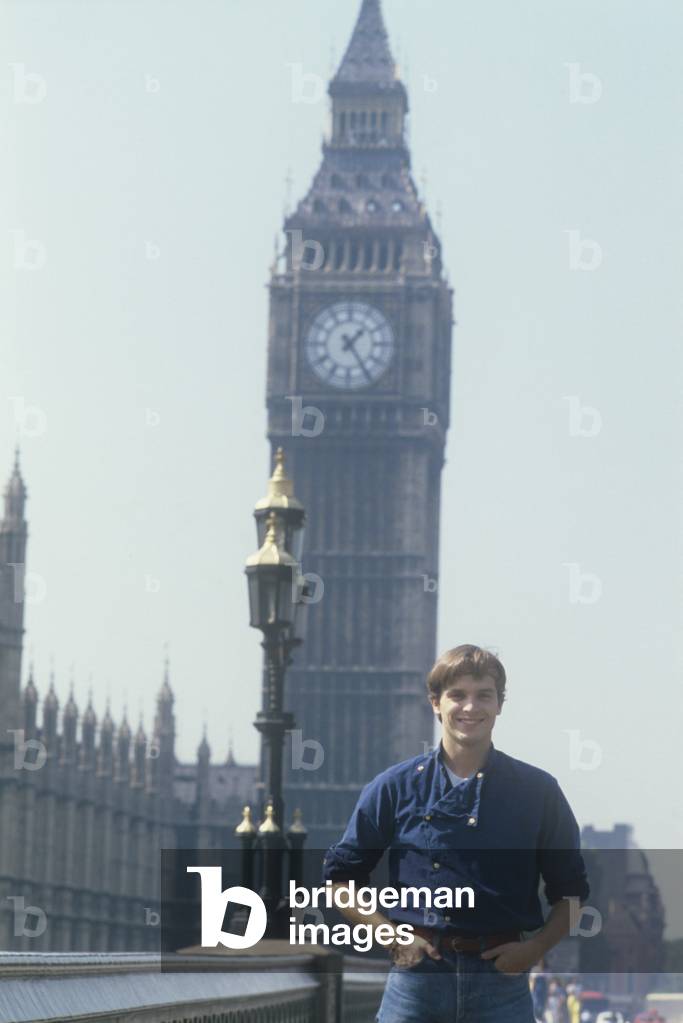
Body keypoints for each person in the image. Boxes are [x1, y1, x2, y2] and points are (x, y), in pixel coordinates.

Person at [322, 644, 590, 1023]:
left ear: (500, 704)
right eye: (457, 695)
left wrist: (534, 950)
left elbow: (572, 894)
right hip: (418, 979)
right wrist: (390, 936)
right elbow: (339, 881)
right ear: (435, 703)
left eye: (484, 696)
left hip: (502, 980)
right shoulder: (393, 787)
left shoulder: (538, 791)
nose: (470, 707)